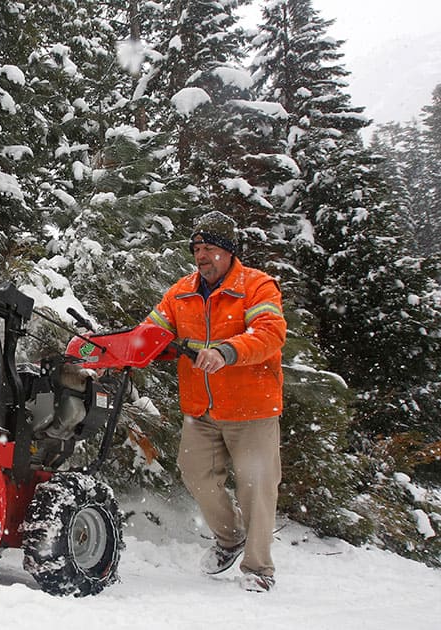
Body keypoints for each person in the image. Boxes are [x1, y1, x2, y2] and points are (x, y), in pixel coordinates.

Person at [146, 210, 286, 592]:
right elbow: (152, 331)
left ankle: (258, 568)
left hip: (251, 409)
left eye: (209, 248)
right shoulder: (182, 292)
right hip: (201, 409)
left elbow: (270, 334)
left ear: (228, 251)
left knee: (257, 487)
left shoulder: (257, 287)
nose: (201, 256)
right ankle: (230, 537)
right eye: (197, 249)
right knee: (195, 473)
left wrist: (227, 351)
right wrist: (118, 349)